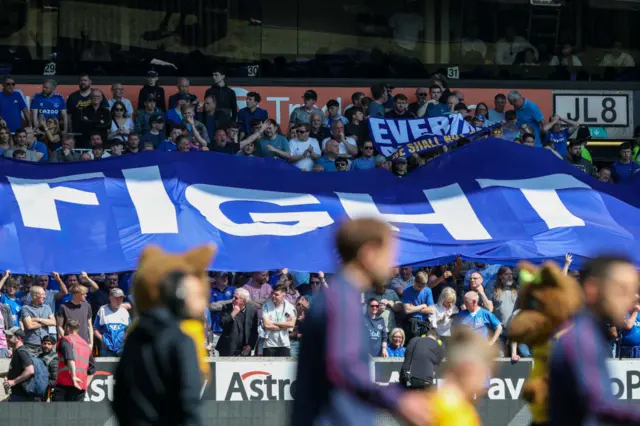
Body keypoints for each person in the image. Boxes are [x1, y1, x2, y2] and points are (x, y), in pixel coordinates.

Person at [292, 218, 430, 426]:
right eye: (389, 254)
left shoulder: (338, 296)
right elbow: (345, 365)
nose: (394, 263)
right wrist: (399, 400)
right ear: (369, 253)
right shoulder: (341, 300)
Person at [113, 244, 215, 426]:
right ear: (179, 295)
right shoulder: (181, 339)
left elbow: (120, 396)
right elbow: (189, 402)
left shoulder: (135, 335)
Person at [549, 255, 640, 425]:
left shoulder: (592, 332)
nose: (631, 298)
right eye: (621, 289)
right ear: (592, 289)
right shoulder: (581, 338)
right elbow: (599, 404)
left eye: (633, 290)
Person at [424, 326, 498, 426]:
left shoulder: (433, 404)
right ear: (468, 369)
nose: (484, 383)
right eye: (484, 375)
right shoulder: (457, 415)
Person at [51, 319, 93, 401]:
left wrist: (74, 377)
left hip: (65, 383)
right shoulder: (86, 344)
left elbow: (70, 358)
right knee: (77, 413)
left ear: (68, 328)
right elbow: (92, 369)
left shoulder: (66, 340)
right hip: (80, 386)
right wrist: (85, 385)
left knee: (59, 412)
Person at [216, 288, 259, 356]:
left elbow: (254, 331)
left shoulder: (252, 310)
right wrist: (233, 313)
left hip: (244, 350)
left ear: (244, 301)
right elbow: (222, 324)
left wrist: (250, 346)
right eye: (232, 296)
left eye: (236, 298)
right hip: (228, 348)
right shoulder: (226, 308)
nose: (233, 299)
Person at [3, 327, 38, 401]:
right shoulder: (17, 352)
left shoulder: (21, 352)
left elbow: (30, 370)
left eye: (10, 336)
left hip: (22, 396)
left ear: (18, 338)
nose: (7, 339)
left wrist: (13, 382)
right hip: (17, 394)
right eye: (7, 336)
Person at [261, 284, 297, 357]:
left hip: (284, 344)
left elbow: (291, 324)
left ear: (283, 296)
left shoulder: (289, 307)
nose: (273, 296)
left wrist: (273, 323)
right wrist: (284, 326)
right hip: (269, 344)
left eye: (276, 294)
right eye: (272, 293)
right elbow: (267, 325)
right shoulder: (266, 306)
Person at [94, 288, 131, 356]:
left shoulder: (125, 312)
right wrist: (103, 340)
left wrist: (123, 340)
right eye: (116, 298)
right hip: (106, 349)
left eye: (121, 298)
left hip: (121, 349)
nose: (119, 301)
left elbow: (129, 329)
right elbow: (95, 329)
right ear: (110, 298)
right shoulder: (102, 310)